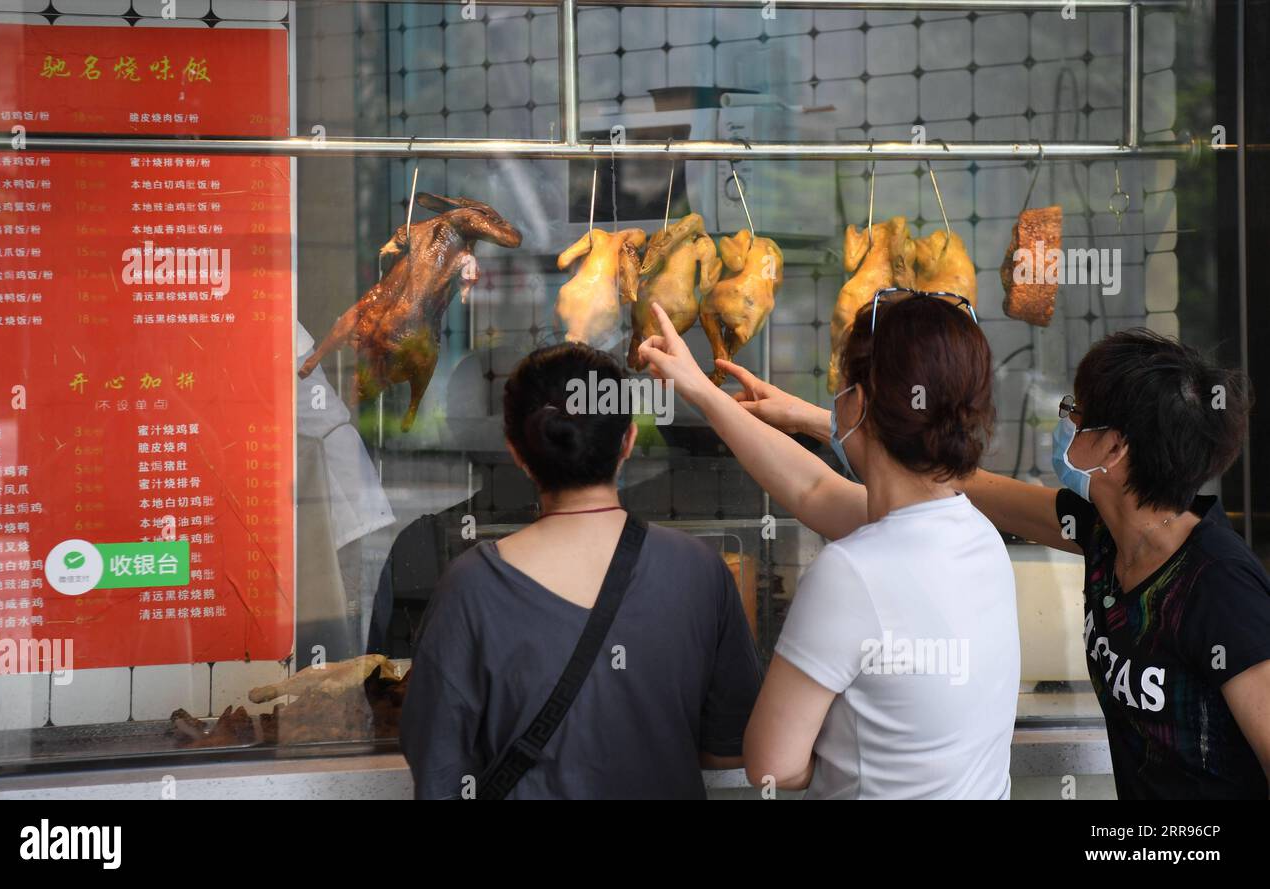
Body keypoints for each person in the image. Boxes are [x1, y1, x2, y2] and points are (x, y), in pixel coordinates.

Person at [699, 322, 1270, 800]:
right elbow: (944, 478)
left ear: (1115, 450)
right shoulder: (1105, 533)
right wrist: (835, 421)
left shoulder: (1219, 589)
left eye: (1078, 412)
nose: (1065, 421)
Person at [637, 291, 1020, 799]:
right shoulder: (976, 535)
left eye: (839, 385)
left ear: (857, 404)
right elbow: (813, 490)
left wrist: (842, 753)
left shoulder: (851, 572)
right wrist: (703, 394)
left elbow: (772, 768)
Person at [399, 342, 761, 799]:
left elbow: (438, 769)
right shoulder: (700, 571)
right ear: (628, 439)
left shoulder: (470, 587)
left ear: (515, 449)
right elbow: (732, 748)